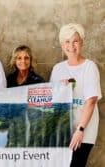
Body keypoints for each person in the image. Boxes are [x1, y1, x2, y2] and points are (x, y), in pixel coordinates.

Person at [50, 23, 102, 167]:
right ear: (62, 44)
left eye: (75, 41)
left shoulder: (89, 67)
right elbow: (52, 102)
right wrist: (61, 89)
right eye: (67, 41)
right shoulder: (57, 69)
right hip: (62, 132)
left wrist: (80, 130)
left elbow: (91, 101)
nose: (71, 46)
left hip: (83, 132)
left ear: (82, 43)